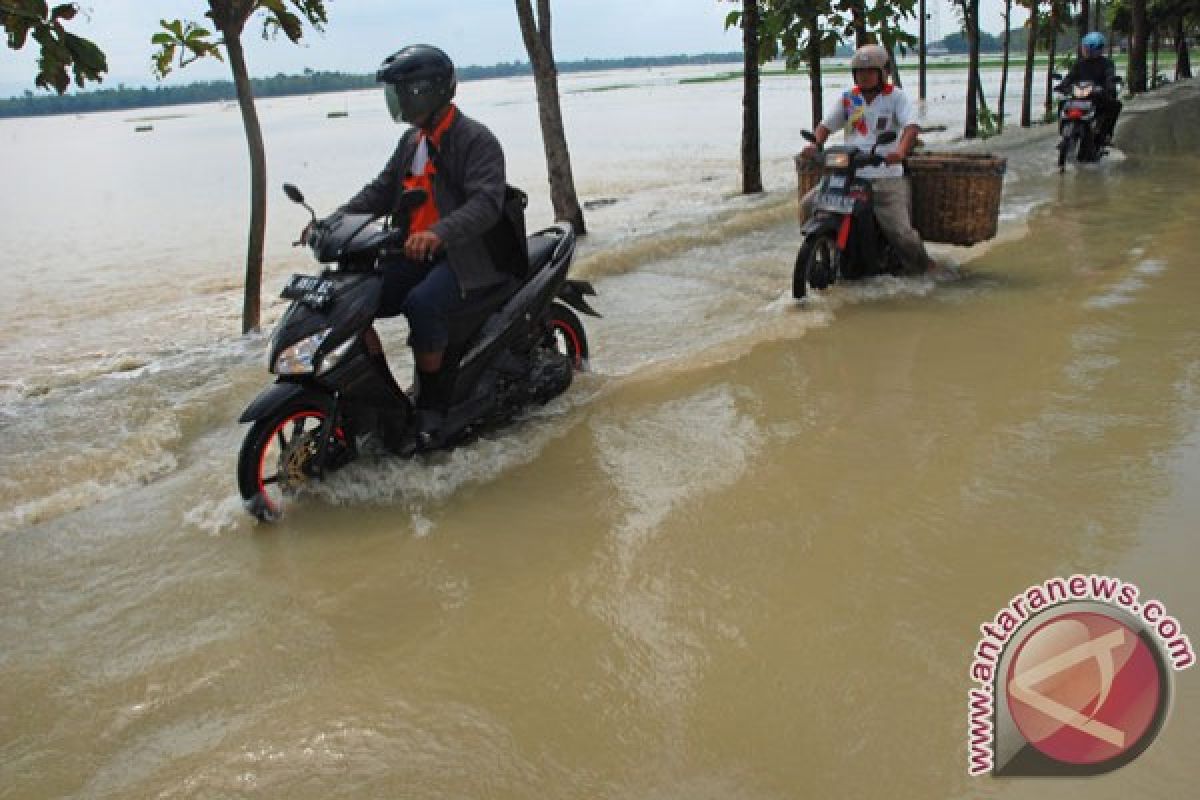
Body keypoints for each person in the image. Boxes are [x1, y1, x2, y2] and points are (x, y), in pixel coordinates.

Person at [334, 44, 509, 452]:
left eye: (402, 91)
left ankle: (432, 407)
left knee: (422, 304)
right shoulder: (411, 142)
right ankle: (384, 398)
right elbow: (379, 191)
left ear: (427, 92)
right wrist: (335, 220)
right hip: (413, 254)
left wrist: (439, 233)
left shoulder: (475, 139)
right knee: (353, 302)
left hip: (464, 256)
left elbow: (486, 202)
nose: (395, 102)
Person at [799, 44, 936, 276]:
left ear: (883, 72)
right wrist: (815, 144)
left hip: (884, 173)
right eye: (860, 72)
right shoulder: (849, 99)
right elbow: (826, 125)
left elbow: (911, 126)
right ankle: (823, 246)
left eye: (870, 71)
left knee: (901, 233)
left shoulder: (896, 97)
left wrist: (900, 152)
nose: (864, 76)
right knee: (808, 204)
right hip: (850, 171)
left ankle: (928, 269)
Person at [1057, 32, 1122, 145]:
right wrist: (1063, 85)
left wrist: (1109, 86)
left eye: (1088, 48)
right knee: (1062, 103)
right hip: (1079, 95)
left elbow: (1109, 76)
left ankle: (1106, 135)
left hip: (1097, 95)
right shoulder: (1079, 64)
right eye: (1085, 47)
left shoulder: (1106, 64)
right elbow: (1070, 77)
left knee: (1115, 105)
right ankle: (1064, 134)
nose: (1086, 50)